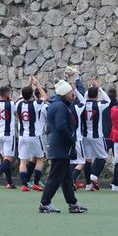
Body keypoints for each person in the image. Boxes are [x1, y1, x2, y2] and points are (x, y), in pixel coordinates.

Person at [38, 80, 88, 214]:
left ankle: (72, 203)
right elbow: (61, 126)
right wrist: (71, 140)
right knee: (55, 177)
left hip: (57, 145)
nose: (73, 95)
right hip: (59, 146)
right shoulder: (60, 106)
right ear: (65, 93)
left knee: (66, 178)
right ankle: (45, 203)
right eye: (71, 92)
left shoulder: (56, 104)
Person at [76, 76, 111, 191]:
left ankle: (88, 184)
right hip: (97, 136)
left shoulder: (82, 104)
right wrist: (98, 87)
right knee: (103, 157)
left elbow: (83, 97)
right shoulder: (100, 105)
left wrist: (91, 87)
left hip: (85, 136)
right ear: (96, 95)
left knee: (88, 159)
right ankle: (94, 176)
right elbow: (108, 100)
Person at [16, 76, 48, 192]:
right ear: (32, 95)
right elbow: (45, 97)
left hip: (22, 136)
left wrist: (28, 84)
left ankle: (24, 184)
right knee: (40, 158)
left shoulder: (18, 104)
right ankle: (35, 183)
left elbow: (23, 95)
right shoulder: (34, 105)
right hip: (33, 135)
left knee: (23, 160)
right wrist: (37, 85)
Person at [0, 83, 17, 189]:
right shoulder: (11, 104)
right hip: (9, 134)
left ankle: (10, 182)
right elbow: (16, 111)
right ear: (7, 94)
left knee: (5, 158)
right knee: (8, 158)